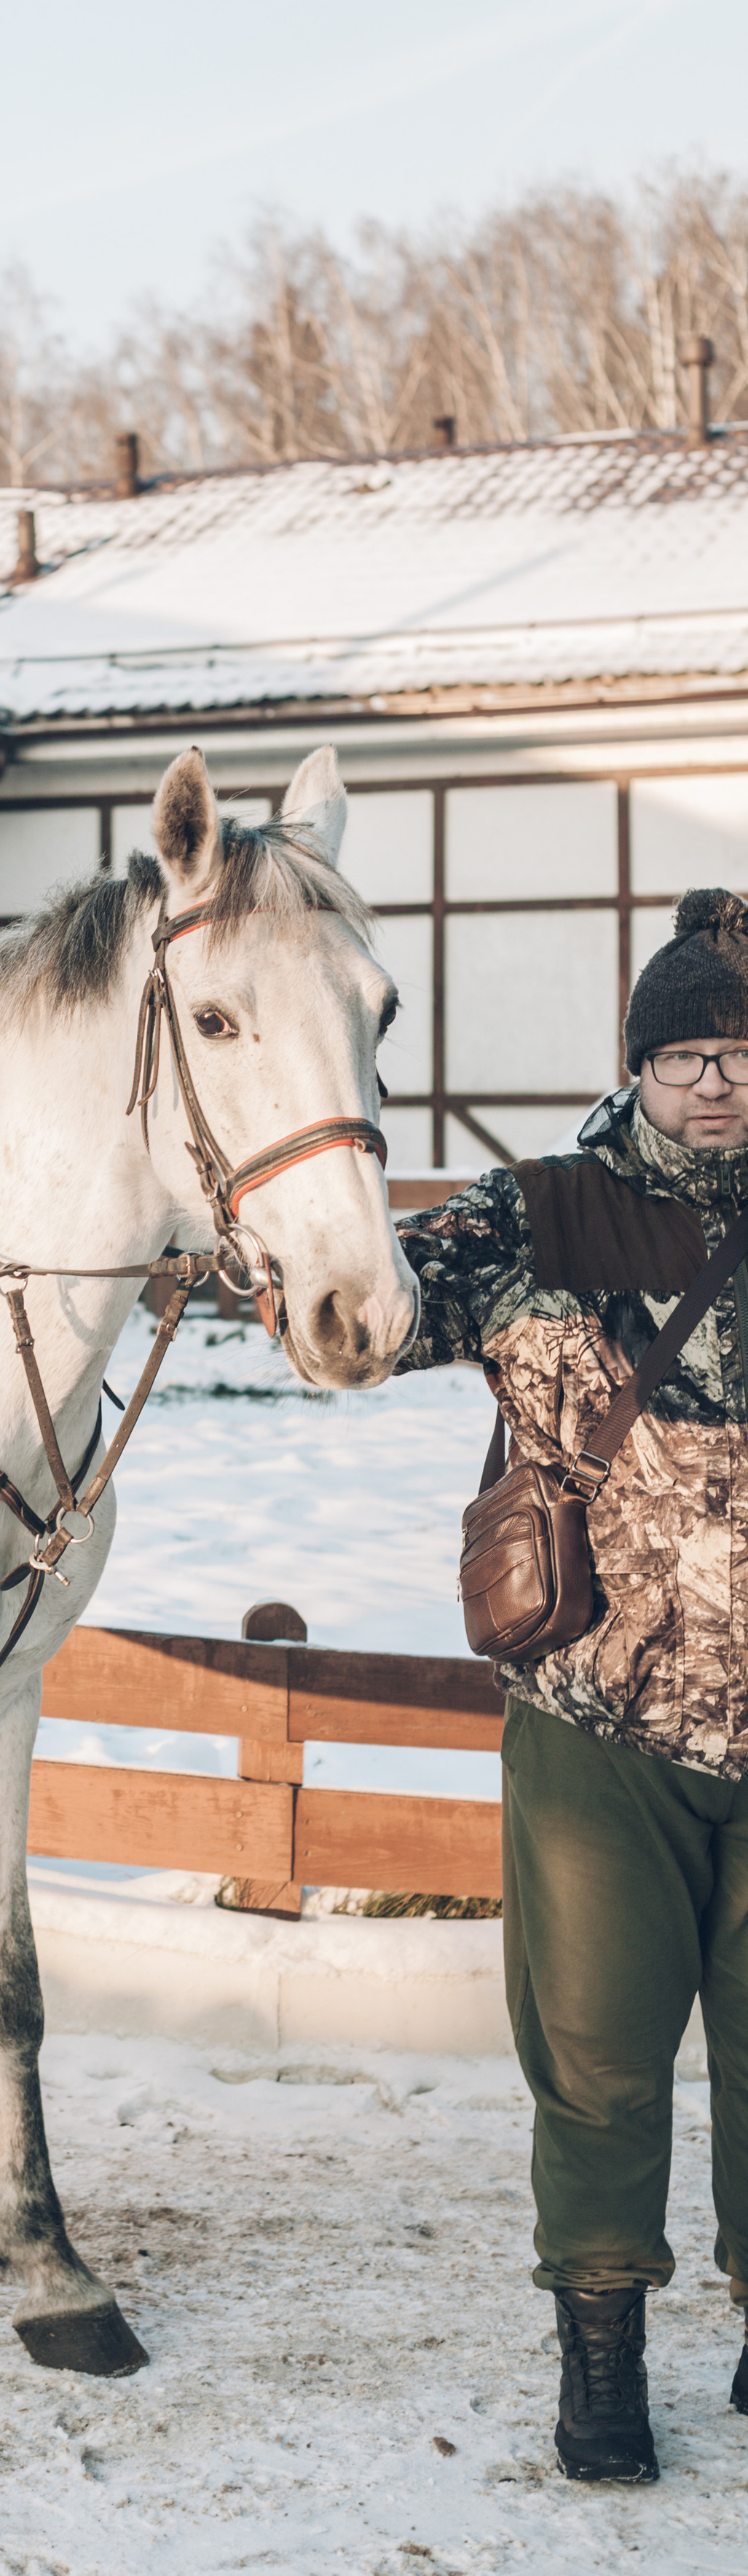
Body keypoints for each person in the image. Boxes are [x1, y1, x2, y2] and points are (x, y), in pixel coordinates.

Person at [393, 888, 748, 2486]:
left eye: (740, 1053)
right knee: (598, 2056)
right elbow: (357, 1302)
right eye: (683, 1055)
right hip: (602, 1720)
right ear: (638, 1067)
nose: (716, 1084)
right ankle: (597, 2360)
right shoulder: (536, 1213)